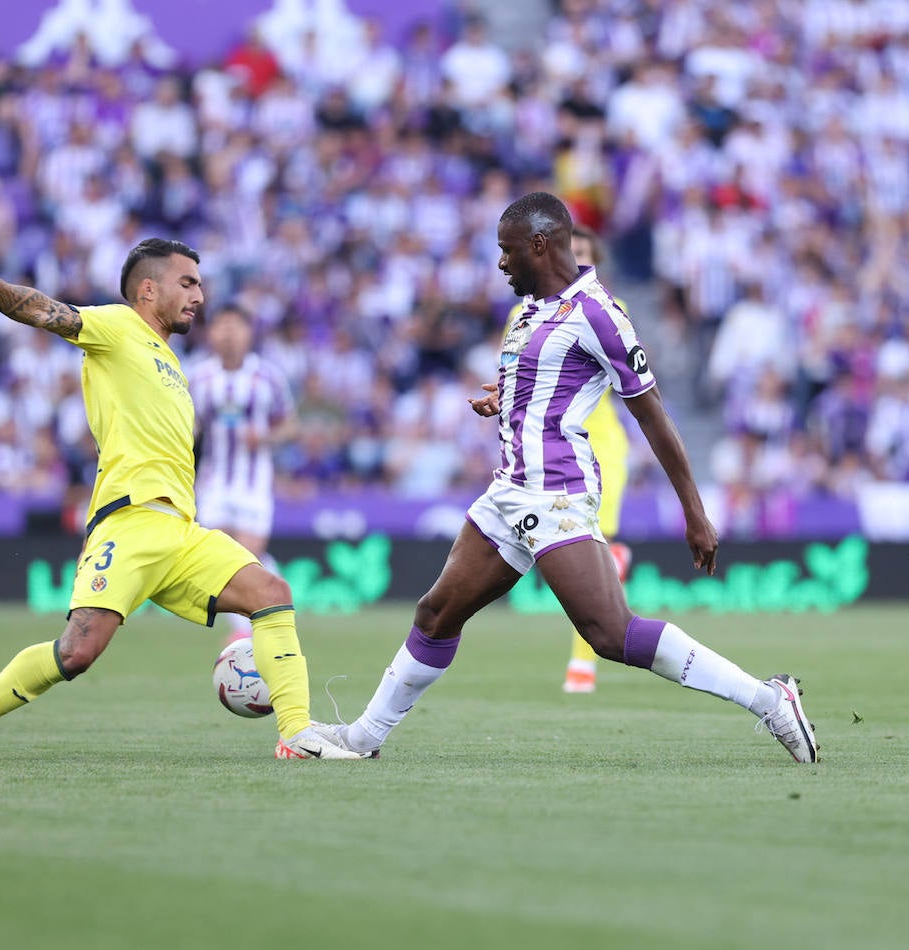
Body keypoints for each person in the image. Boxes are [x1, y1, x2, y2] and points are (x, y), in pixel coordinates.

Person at [317, 193, 818, 763]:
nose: (501, 264)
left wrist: (694, 510)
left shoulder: (598, 313)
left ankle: (768, 699)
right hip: (509, 488)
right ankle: (363, 739)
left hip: (554, 490)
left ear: (539, 244)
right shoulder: (532, 308)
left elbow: (652, 414)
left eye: (507, 251)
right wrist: (501, 401)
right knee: (436, 613)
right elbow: (539, 390)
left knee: (611, 633)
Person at [0, 239, 363, 760]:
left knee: (271, 590)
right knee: (76, 653)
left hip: (181, 533)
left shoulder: (172, 361)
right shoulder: (117, 326)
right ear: (148, 289)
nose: (199, 294)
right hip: (128, 524)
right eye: (188, 283)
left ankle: (296, 732)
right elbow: (45, 312)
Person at [188, 304, 298, 643]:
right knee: (221, 558)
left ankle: (261, 619)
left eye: (235, 325)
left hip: (254, 482)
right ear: (211, 333)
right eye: (221, 325)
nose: (228, 332)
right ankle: (253, 625)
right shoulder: (199, 377)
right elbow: (189, 424)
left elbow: (290, 425)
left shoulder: (267, 376)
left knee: (249, 554)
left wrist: (266, 437)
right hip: (214, 480)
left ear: (249, 333)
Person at [558, 225, 632, 693]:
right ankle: (615, 562)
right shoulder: (523, 312)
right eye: (570, 254)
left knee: (590, 551)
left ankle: (581, 663)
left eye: (583, 254)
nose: (576, 262)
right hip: (546, 446)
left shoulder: (609, 311)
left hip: (599, 445)